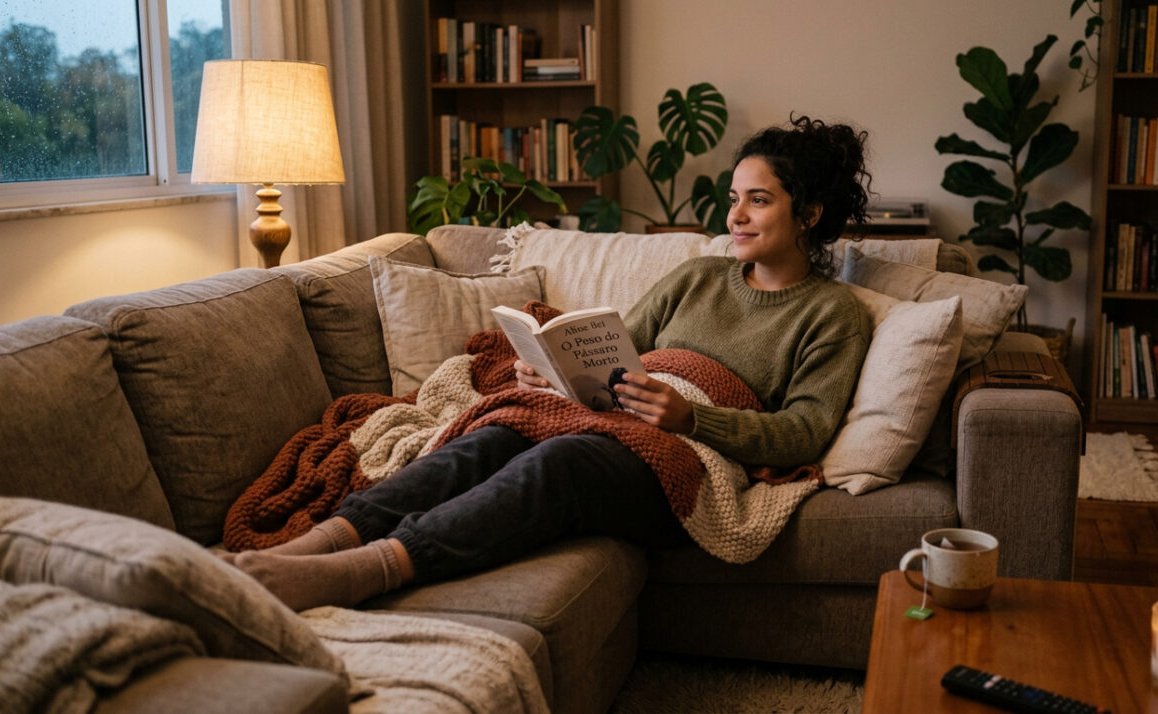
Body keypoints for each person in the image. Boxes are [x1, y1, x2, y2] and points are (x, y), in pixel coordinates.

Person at [225, 115, 873, 611]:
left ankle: (359, 572)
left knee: (560, 462)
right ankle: (317, 544)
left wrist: (694, 420)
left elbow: (808, 428)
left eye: (758, 200)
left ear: (809, 213)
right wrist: (555, 371)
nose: (735, 214)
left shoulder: (830, 313)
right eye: (734, 196)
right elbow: (619, 348)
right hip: (621, 421)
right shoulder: (698, 276)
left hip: (688, 458)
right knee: (498, 433)